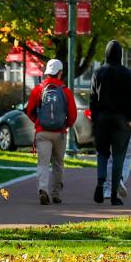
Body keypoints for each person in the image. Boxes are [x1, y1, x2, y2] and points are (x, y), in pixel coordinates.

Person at [24, 59, 76, 205]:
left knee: (43, 163)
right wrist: (66, 125)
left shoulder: (39, 89)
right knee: (58, 164)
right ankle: (56, 193)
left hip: (43, 132)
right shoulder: (65, 91)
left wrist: (38, 122)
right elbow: (72, 114)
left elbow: (29, 111)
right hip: (59, 132)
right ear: (60, 73)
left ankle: (43, 189)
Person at [90, 40, 131, 206]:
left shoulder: (98, 73)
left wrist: (95, 118)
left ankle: (100, 183)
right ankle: (114, 194)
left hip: (102, 119)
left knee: (102, 153)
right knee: (118, 156)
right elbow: (130, 99)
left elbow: (93, 99)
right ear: (120, 55)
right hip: (120, 120)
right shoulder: (126, 74)